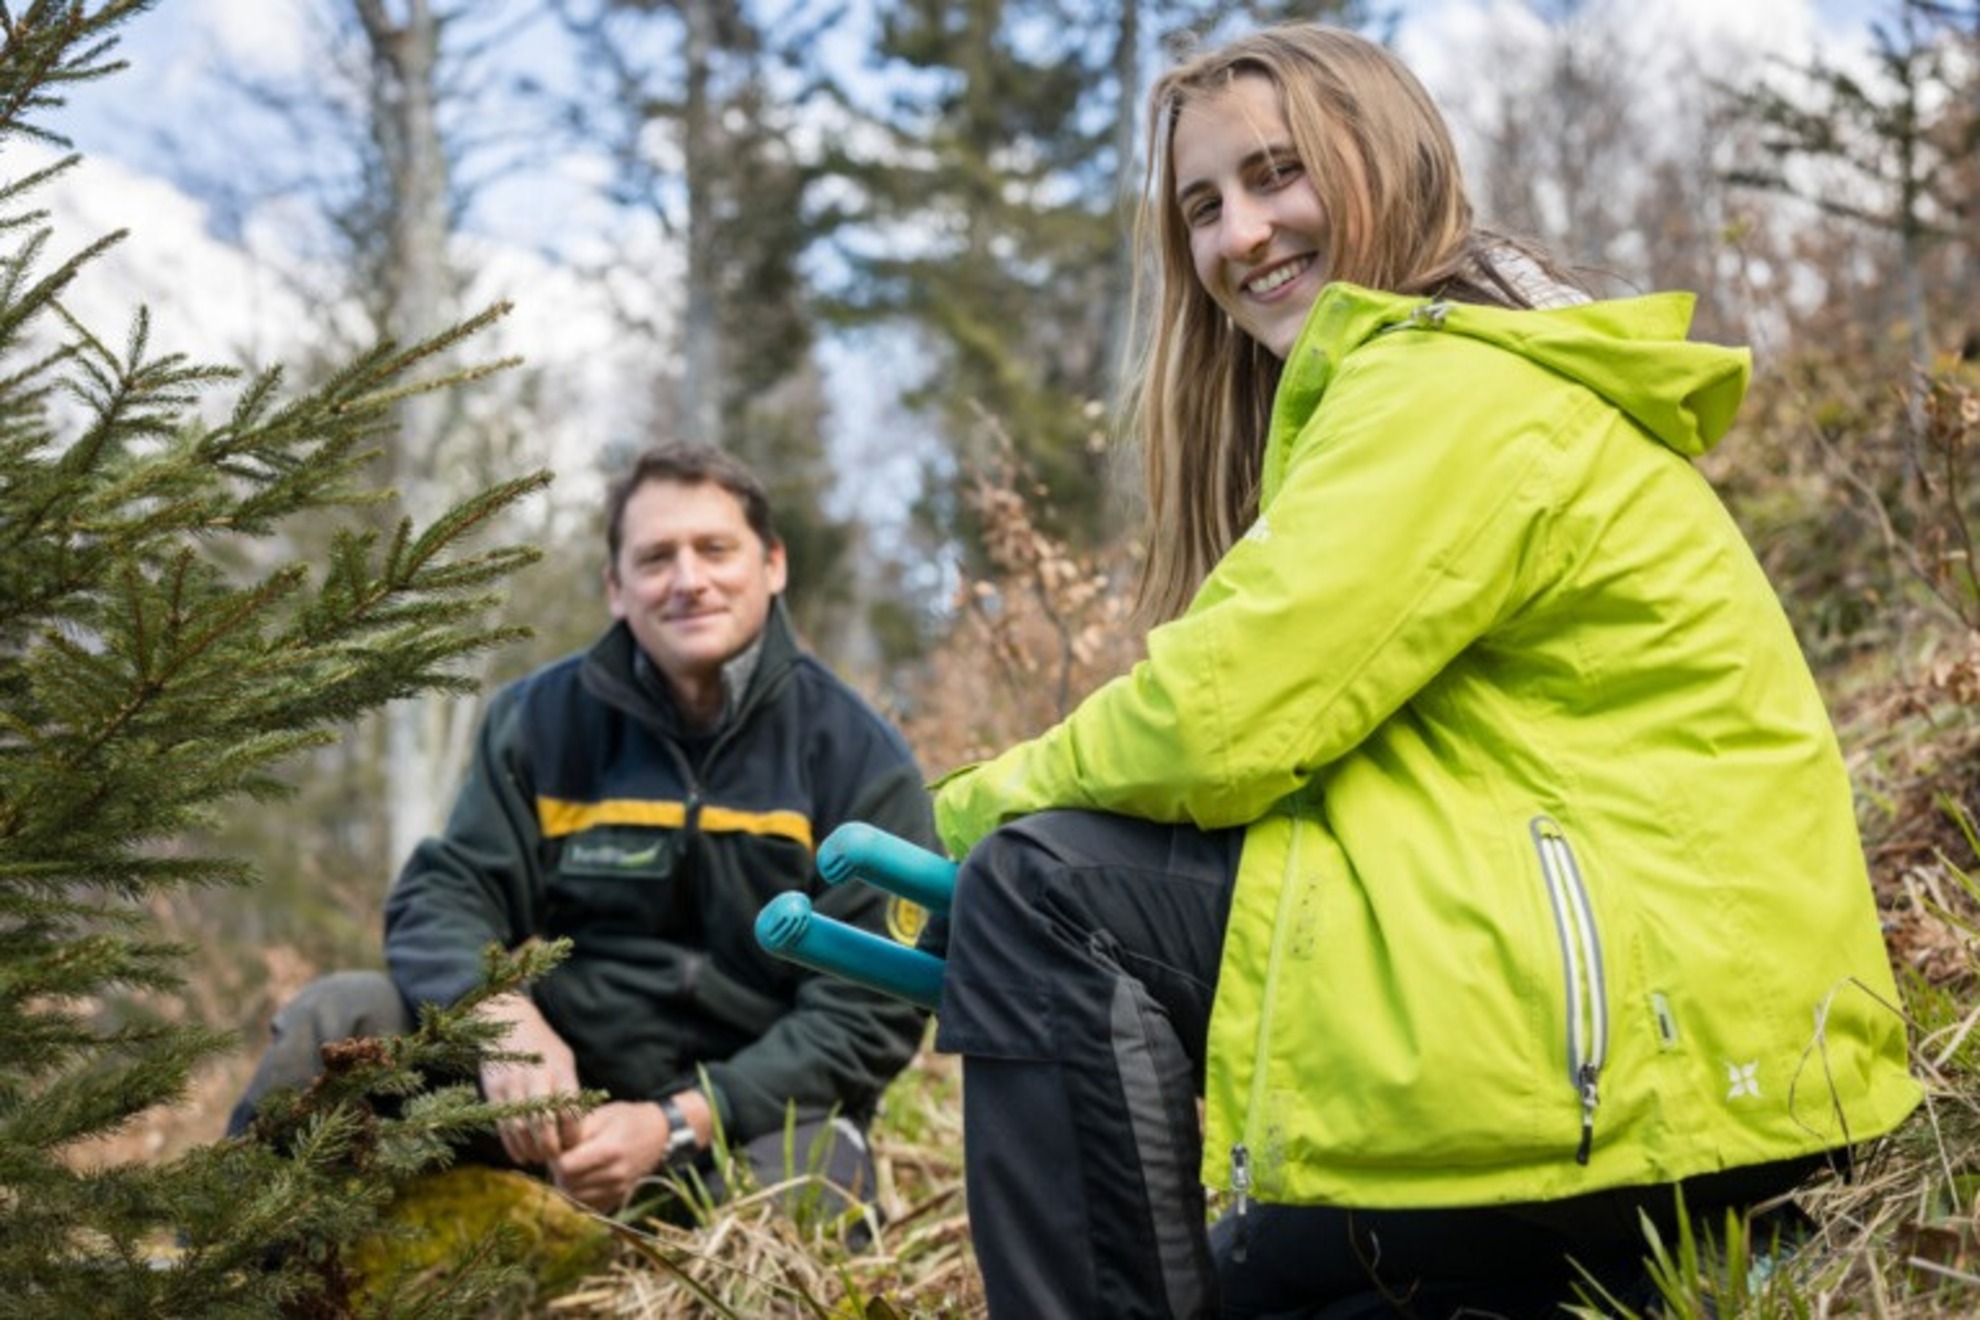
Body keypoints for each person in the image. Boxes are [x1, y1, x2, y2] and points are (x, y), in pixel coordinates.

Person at [921, 24, 1922, 1318]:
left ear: (1387, 161)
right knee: (1244, 1285)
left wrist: (957, 808)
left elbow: (1216, 719)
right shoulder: (1444, 383)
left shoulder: (1452, 391)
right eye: (1204, 207)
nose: (1242, 234)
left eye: (1280, 174)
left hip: (1666, 1082)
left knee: (1044, 890)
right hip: (1678, 1071)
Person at [231, 442, 936, 1218]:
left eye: (715, 550)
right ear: (615, 587)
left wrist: (677, 1122)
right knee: (343, 1017)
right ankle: (221, 1265)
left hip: (743, 1128)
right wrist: (499, 1020)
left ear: (773, 564)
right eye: (656, 557)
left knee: (813, 1183)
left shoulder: (859, 755)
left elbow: (869, 1011)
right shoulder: (542, 720)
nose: (689, 580)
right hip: (552, 1120)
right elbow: (445, 894)